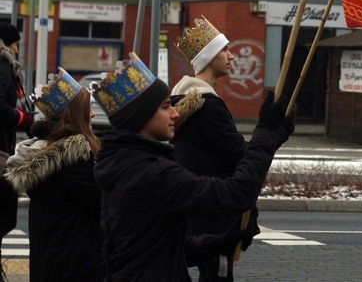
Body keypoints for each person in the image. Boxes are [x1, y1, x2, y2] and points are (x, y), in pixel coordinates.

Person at [92, 53, 294, 281]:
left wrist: (214, 244)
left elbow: (155, 249)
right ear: (143, 116)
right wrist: (266, 131)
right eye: (165, 107)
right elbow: (237, 194)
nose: (175, 113)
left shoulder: (123, 165)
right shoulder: (153, 173)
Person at [170, 16, 254, 281]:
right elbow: (237, 154)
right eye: (224, 50)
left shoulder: (177, 100)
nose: (231, 56)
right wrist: (268, 139)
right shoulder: (209, 106)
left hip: (190, 206)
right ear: (208, 57)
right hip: (214, 211)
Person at [4, 68, 102, 281]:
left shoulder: (46, 155)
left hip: (49, 265)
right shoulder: (73, 162)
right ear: (74, 115)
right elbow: (106, 205)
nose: (92, 114)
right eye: (87, 109)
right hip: (76, 267)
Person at [0, 23, 34, 272]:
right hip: (0, 151)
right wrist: (24, 120)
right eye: (16, 44)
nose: (17, 48)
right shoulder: (2, 65)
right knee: (4, 215)